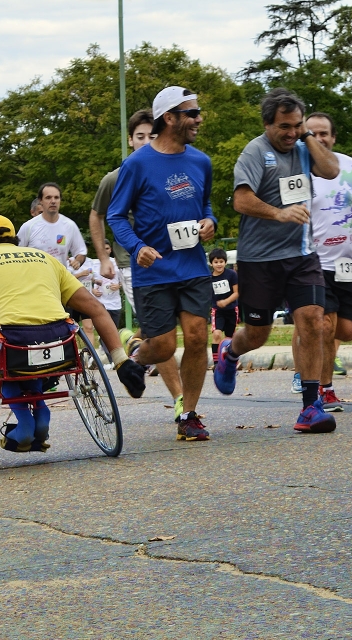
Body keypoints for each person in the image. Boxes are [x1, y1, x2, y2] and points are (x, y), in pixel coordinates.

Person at [0, 215, 146, 451]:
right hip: (59, 343)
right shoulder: (45, 258)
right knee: (34, 345)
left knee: (3, 347)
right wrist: (121, 361)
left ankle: (26, 427)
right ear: (16, 240)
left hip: (12, 346)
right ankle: (38, 417)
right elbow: (96, 309)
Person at [213, 88, 340, 433]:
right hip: (260, 260)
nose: (290, 133)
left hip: (301, 255)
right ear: (267, 124)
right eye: (284, 126)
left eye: (296, 125)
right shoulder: (255, 152)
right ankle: (229, 352)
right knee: (257, 334)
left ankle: (310, 407)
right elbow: (241, 201)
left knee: (313, 321)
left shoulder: (304, 147)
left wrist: (309, 135)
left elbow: (331, 170)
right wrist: (279, 214)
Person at [108, 85, 218, 441]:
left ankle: (189, 414)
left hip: (193, 267)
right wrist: (136, 246)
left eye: (197, 112)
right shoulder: (137, 164)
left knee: (199, 337)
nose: (198, 119)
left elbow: (206, 206)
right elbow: (116, 216)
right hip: (153, 270)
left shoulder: (201, 161)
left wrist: (209, 223)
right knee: (165, 347)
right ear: (169, 118)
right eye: (192, 113)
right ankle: (138, 354)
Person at [90, 108, 185, 419]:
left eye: (152, 136)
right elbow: (97, 214)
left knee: (175, 327)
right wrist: (104, 258)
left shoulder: (170, 171)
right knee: (164, 335)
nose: (147, 142)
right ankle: (181, 400)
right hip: (135, 265)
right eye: (140, 137)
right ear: (130, 141)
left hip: (174, 259)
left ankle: (133, 341)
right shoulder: (115, 177)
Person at [305, 112, 352, 412]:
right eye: (313, 133)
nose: (319, 139)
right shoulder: (299, 171)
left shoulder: (351, 167)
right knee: (323, 325)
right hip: (312, 262)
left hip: (347, 263)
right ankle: (324, 388)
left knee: (346, 330)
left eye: (325, 134)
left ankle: (310, 362)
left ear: (333, 137)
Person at [208, 248, 238, 357]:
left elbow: (237, 292)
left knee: (230, 337)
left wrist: (226, 301)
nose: (219, 264)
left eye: (221, 262)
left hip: (231, 309)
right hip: (218, 311)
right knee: (216, 334)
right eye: (216, 262)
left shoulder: (231, 275)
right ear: (211, 264)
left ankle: (231, 360)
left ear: (225, 262)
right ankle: (216, 363)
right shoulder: (209, 278)